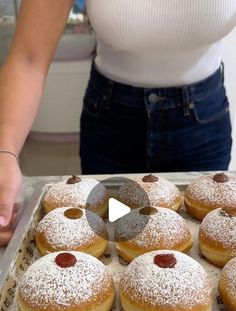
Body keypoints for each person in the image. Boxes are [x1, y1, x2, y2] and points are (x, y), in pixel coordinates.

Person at [0, 0, 236, 245]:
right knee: (110, 236)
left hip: (204, 121)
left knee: (212, 236)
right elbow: (28, 58)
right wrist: (4, 153)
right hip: (113, 121)